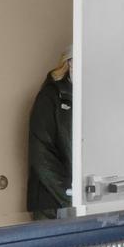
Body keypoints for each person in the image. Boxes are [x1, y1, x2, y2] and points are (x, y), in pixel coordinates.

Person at [27, 52, 73, 217]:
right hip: (51, 202)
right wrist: (70, 195)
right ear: (69, 63)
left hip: (79, 200)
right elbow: (41, 154)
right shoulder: (50, 96)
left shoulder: (90, 97)